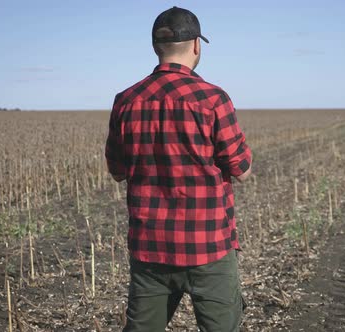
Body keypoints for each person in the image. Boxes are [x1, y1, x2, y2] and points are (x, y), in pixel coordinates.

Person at [105, 6, 252, 332]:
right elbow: (241, 168)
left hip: (150, 249)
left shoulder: (125, 101)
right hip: (209, 247)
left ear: (156, 47)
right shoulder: (214, 99)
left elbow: (117, 171)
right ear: (197, 45)